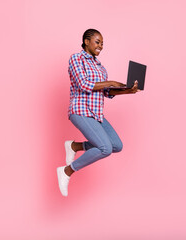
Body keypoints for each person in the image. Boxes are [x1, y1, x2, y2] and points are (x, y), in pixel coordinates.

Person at [57, 29, 140, 196]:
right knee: (104, 148)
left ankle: (75, 146)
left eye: (102, 43)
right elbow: (83, 84)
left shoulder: (101, 68)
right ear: (86, 42)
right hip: (80, 110)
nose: (100, 46)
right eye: (97, 42)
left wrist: (127, 90)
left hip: (96, 114)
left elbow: (107, 92)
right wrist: (112, 82)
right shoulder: (76, 58)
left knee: (116, 146)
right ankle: (67, 171)